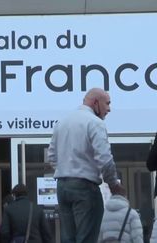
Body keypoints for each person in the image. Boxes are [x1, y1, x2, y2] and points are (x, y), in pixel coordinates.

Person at [47, 87, 123, 243]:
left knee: (68, 238)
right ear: (96, 103)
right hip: (85, 187)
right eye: (107, 103)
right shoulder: (95, 123)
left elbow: (52, 157)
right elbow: (105, 159)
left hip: (62, 186)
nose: (109, 109)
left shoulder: (62, 123)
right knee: (87, 237)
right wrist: (113, 184)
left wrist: (66, 170)